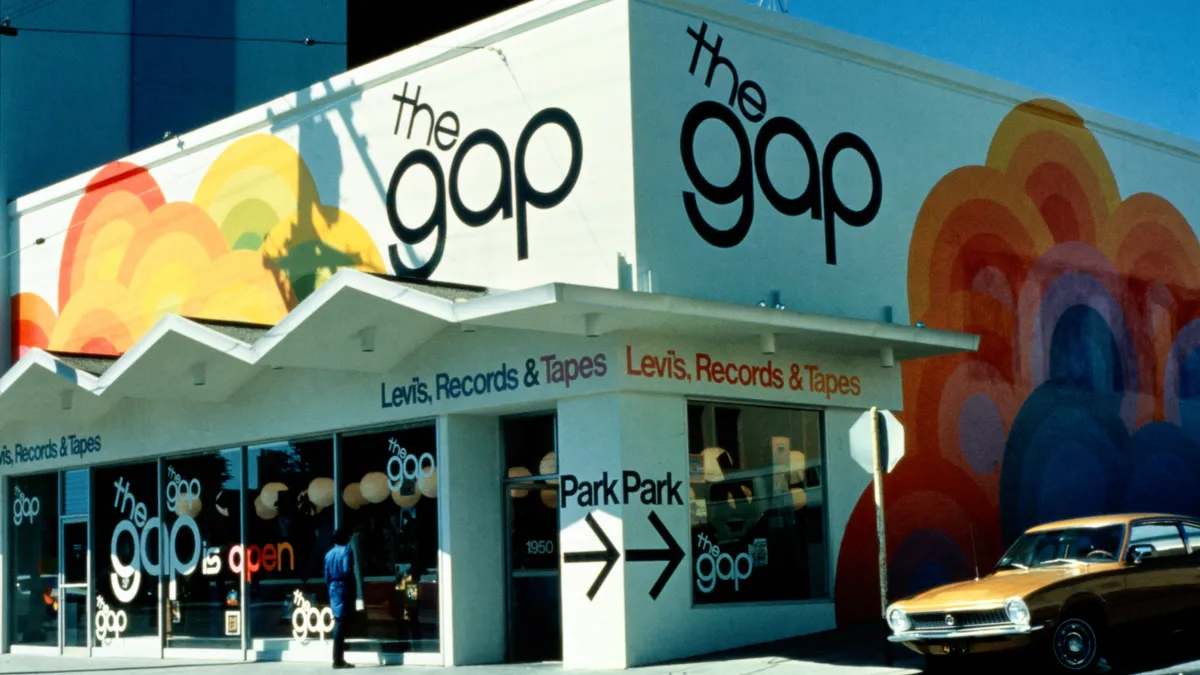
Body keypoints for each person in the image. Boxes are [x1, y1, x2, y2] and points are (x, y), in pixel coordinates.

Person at [324, 525, 357, 669]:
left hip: (333, 588)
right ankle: (338, 659)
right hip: (343, 587)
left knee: (339, 620)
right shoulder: (347, 551)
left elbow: (326, 576)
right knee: (340, 623)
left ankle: (339, 657)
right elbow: (347, 571)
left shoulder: (329, 554)